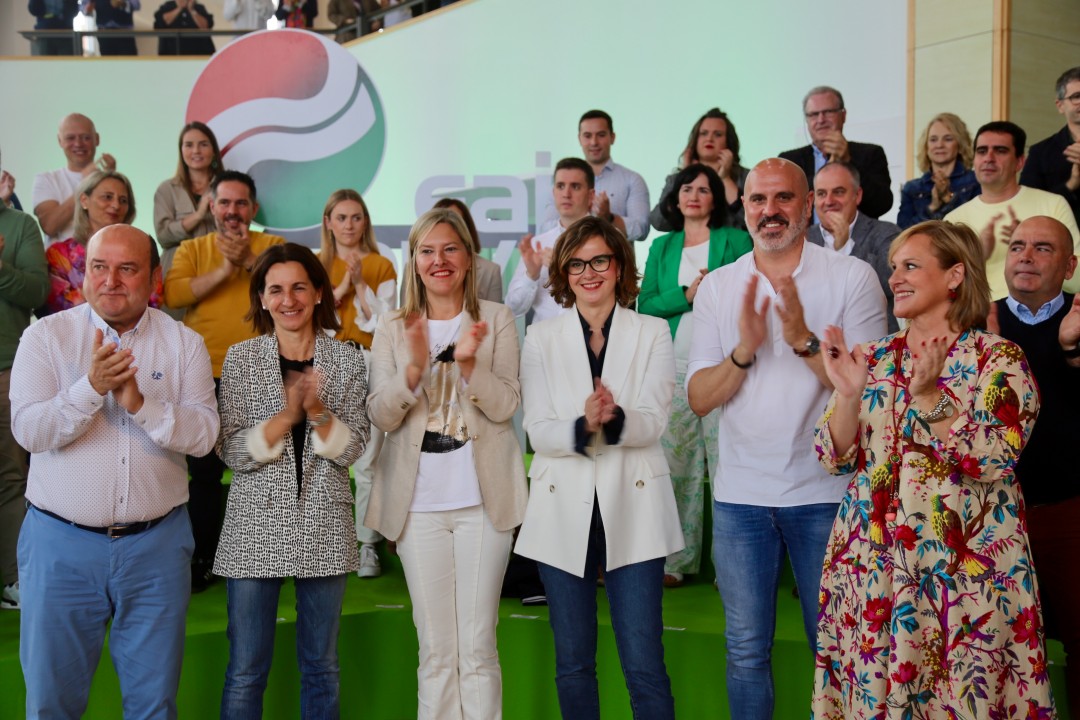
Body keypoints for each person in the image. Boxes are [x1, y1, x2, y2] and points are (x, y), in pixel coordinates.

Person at [812, 219, 1056, 718]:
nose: (895, 278)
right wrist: (850, 395)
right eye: (893, 267)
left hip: (962, 574)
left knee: (964, 696)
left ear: (954, 276)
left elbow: (992, 456)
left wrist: (929, 398)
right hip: (873, 564)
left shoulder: (998, 359)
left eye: (910, 266)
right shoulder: (872, 357)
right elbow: (832, 457)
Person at [685, 158, 887, 720]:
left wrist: (801, 339)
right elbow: (699, 397)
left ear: (808, 205)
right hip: (740, 497)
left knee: (837, 647)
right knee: (746, 651)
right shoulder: (719, 286)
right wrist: (743, 352)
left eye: (783, 198)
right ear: (744, 207)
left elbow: (868, 393)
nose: (769, 211)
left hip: (827, 495)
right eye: (758, 199)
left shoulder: (852, 277)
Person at [10, 224, 218, 718]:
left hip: (157, 548)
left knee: (154, 704)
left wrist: (142, 405)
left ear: (154, 277)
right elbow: (29, 431)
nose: (111, 280)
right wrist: (90, 388)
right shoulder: (45, 337)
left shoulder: (184, 343)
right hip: (60, 547)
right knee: (50, 704)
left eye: (127, 269)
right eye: (99, 267)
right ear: (84, 273)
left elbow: (206, 435)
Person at [514, 216, 681, 719]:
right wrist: (582, 425)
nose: (589, 273)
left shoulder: (652, 331)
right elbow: (538, 429)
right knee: (573, 664)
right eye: (577, 264)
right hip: (561, 506)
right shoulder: (540, 337)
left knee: (644, 663)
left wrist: (613, 418)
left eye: (599, 261)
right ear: (563, 274)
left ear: (619, 266)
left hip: (635, 503)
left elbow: (654, 420)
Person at [365, 208, 526, 719]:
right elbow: (381, 414)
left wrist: (471, 366)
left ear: (469, 258)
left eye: (450, 249)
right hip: (418, 506)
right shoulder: (393, 326)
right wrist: (413, 371)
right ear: (413, 261)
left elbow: (506, 405)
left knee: (477, 648)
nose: (440, 260)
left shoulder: (496, 319)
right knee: (435, 651)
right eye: (427, 251)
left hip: (485, 503)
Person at [215, 243, 369, 718]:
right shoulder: (240, 359)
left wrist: (316, 410)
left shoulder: (347, 360)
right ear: (262, 298)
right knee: (245, 670)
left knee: (322, 667)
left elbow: (353, 450)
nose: (289, 299)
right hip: (252, 530)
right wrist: (286, 416)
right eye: (276, 289)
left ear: (319, 292)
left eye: (300, 287)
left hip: (324, 524)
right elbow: (231, 452)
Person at [164, 170, 285, 591]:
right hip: (204, 374)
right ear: (211, 206)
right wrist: (224, 269)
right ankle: (205, 557)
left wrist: (250, 261)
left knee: (268, 468)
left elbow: (288, 288)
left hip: (263, 370)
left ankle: (270, 554)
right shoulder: (191, 248)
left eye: (241, 203)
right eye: (225, 203)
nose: (233, 211)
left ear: (253, 209)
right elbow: (175, 296)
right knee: (204, 474)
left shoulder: (273, 247)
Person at [638, 164, 752, 587]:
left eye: (703, 189)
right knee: (677, 465)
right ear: (675, 197)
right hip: (673, 367)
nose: (693, 195)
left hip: (723, 367)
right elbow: (646, 304)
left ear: (715, 199)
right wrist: (687, 295)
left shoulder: (736, 240)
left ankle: (731, 566)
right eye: (686, 188)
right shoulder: (662, 246)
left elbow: (751, 293)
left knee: (728, 464)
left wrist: (714, 292)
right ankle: (676, 561)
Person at [988, 215, 1080, 711]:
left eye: (1042, 248)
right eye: (1018, 245)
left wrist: (1071, 351)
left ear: (1069, 266)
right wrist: (985, 353)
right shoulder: (979, 320)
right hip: (993, 518)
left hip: (1068, 510)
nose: (1025, 255)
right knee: (998, 649)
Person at [319, 188, 396, 579]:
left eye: (356, 217)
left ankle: (368, 545)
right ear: (328, 223)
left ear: (365, 221)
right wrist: (344, 286)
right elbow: (314, 317)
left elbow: (385, 322)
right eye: (341, 217)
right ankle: (324, 541)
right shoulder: (316, 264)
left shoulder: (382, 264)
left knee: (368, 458)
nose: (349, 225)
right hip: (327, 361)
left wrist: (361, 283)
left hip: (369, 360)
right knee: (323, 452)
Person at [944, 120, 1080, 300]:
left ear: (1019, 162)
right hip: (978, 313)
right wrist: (976, 257)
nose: (989, 158)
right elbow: (944, 289)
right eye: (982, 151)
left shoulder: (1053, 204)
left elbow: (1076, 279)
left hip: (1041, 312)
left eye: (1000, 150)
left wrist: (1033, 247)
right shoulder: (954, 219)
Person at [0, 197, 49, 611]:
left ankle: (13, 576)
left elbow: (36, 292)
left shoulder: (20, 224)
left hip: (6, 368)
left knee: (11, 476)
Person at [41, 170, 163, 316]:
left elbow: (153, 301)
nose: (116, 205)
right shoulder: (59, 254)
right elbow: (61, 310)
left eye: (123, 200)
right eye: (107, 197)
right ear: (84, 200)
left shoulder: (143, 250)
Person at [808, 162, 902, 331]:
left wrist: (843, 248)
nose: (829, 201)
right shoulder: (804, 239)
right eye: (821, 194)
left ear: (857, 195)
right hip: (815, 338)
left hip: (874, 339)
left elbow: (890, 285)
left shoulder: (887, 234)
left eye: (838, 192)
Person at [780, 85, 893, 219]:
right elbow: (785, 205)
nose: (821, 120)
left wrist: (848, 162)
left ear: (843, 115)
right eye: (814, 114)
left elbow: (882, 204)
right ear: (807, 120)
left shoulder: (871, 154)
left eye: (828, 112)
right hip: (808, 232)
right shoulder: (789, 161)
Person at [537, 110, 650, 242]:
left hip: (616, 255)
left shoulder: (632, 180)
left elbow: (641, 230)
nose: (593, 142)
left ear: (612, 137)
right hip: (570, 254)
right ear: (579, 139)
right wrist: (577, 216)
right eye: (587, 136)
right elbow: (546, 229)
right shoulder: (563, 180)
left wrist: (609, 218)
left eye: (601, 135)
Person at [506, 157, 594, 324]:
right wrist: (531, 275)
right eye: (560, 186)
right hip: (542, 338)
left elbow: (618, 299)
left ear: (591, 195)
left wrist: (564, 267)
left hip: (591, 337)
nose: (566, 194)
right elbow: (512, 308)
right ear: (554, 193)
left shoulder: (609, 240)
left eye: (575, 186)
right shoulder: (538, 244)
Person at [650, 108, 749, 232]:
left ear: (729, 141)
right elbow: (658, 222)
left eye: (718, 134)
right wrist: (684, 178)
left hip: (734, 244)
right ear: (695, 139)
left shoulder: (747, 177)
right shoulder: (675, 179)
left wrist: (725, 179)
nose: (709, 139)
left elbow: (753, 220)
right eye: (704, 133)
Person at [32, 113, 116, 246]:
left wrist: (111, 181)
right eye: (70, 138)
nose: (78, 144)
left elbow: (118, 226)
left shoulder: (110, 179)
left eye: (86, 137)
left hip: (103, 255)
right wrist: (87, 183)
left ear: (97, 139)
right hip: (59, 258)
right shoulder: (46, 180)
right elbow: (49, 226)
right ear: (60, 141)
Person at [154, 121, 222, 279]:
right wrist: (198, 215)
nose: (196, 151)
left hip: (217, 270)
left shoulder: (227, 187)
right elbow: (163, 236)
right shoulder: (167, 189)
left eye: (203, 144)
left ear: (213, 151)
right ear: (181, 150)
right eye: (189, 145)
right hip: (175, 273)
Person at [897, 112, 981, 228]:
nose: (939, 145)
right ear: (926, 146)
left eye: (948, 139)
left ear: (960, 144)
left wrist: (949, 199)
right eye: (933, 139)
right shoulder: (911, 188)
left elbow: (975, 224)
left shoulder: (976, 180)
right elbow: (903, 231)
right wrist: (933, 206)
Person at [1021, 66, 1080, 225]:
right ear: (1060, 105)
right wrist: (1071, 184)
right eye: (1076, 96)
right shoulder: (1040, 153)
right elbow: (1029, 206)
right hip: (1061, 235)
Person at [433, 197, 503, 302]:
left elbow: (495, 311)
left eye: (455, 221)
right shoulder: (414, 267)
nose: (447, 227)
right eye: (441, 221)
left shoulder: (490, 270)